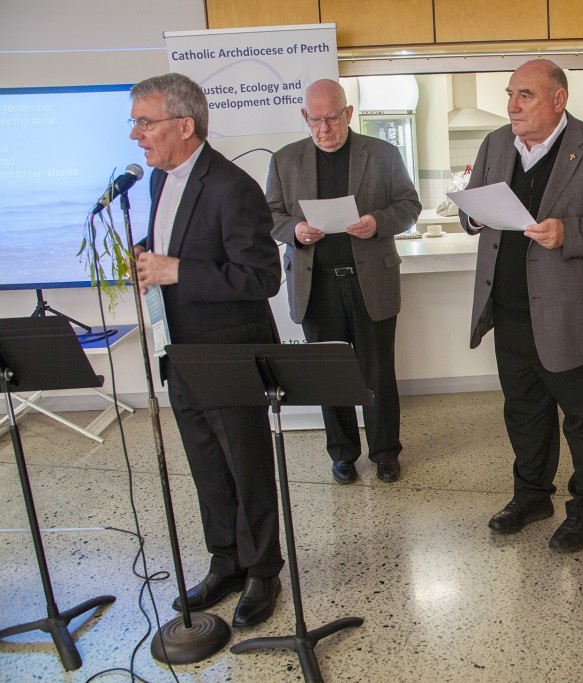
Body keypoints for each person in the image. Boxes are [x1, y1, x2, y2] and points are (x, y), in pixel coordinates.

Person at [460, 59, 583, 552]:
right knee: (523, 413)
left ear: (558, 99)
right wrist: (473, 218)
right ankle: (531, 496)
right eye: (510, 94)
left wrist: (571, 232)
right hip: (511, 312)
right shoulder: (496, 144)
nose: (511, 106)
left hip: (575, 317)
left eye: (525, 95)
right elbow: (471, 206)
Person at [131, 73, 283, 628]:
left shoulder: (232, 186)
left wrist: (177, 270)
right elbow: (176, 250)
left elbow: (261, 277)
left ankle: (264, 568)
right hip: (180, 351)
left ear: (185, 124)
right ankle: (227, 561)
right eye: (136, 123)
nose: (136, 135)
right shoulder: (156, 181)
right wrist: (151, 260)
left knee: (246, 466)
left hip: (230, 354)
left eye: (145, 122)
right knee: (206, 466)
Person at [266, 79, 421, 485]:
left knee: (378, 374)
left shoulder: (383, 154)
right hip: (316, 286)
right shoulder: (285, 160)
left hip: (369, 281)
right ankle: (342, 454)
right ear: (304, 117)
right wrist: (295, 230)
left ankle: (386, 452)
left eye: (332, 119)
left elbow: (409, 205)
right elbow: (271, 215)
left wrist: (377, 223)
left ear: (348, 114)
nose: (324, 129)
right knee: (329, 376)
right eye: (315, 120)